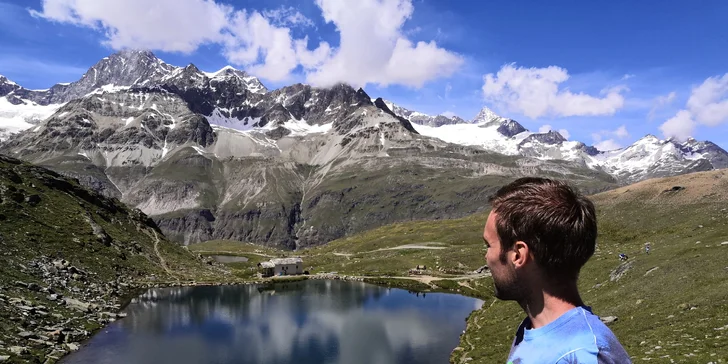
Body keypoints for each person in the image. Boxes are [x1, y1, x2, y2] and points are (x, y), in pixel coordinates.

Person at [483, 177, 630, 363]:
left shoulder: (582, 354)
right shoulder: (533, 328)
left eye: (488, 245)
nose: (487, 257)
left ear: (518, 255)